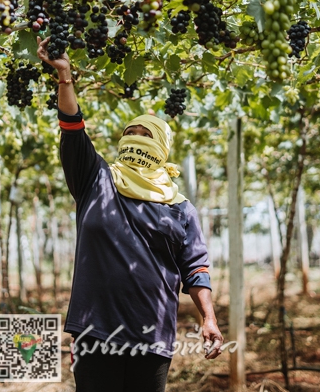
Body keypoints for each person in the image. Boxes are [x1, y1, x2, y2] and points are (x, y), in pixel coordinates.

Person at [37, 37, 223, 392]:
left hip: (152, 330)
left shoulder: (180, 206)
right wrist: (65, 76)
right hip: (95, 328)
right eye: (129, 134)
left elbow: (195, 268)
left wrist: (209, 318)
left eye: (146, 135)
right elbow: (73, 129)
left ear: (163, 148)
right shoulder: (96, 179)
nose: (136, 140)